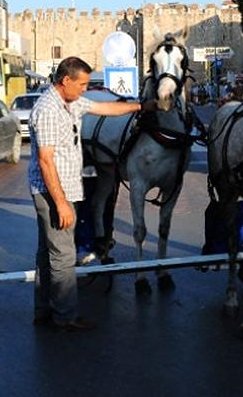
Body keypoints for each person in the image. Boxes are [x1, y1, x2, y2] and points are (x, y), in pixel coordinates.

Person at [28, 56, 156, 331]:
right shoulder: (49, 109)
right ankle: (66, 316)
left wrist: (141, 106)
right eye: (82, 84)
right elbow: (45, 161)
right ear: (66, 81)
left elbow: (104, 108)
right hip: (54, 193)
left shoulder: (70, 102)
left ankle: (43, 310)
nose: (86, 89)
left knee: (47, 253)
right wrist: (61, 203)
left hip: (62, 190)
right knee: (63, 256)